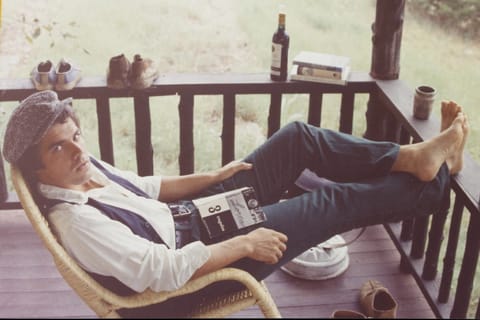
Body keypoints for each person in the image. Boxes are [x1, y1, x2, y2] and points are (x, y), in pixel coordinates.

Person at [2, 90, 469, 317]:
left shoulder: (84, 169)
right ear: (38, 168)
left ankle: (413, 159)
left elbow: (146, 187)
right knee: (331, 203)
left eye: (75, 135)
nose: (79, 151)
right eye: (58, 148)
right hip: (190, 274)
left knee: (296, 139)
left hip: (191, 220)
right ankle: (436, 179)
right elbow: (163, 273)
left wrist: (215, 176)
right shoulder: (78, 223)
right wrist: (245, 242)